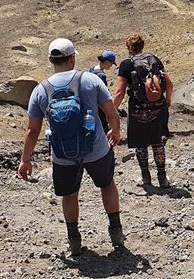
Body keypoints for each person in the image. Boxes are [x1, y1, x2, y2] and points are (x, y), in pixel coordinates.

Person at [18, 38, 123, 256]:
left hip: (63, 154)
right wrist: (115, 131)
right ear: (72, 58)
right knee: (107, 185)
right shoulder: (91, 80)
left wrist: (25, 160)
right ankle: (116, 232)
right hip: (97, 148)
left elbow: (32, 131)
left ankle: (74, 241)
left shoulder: (40, 90)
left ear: (51, 60)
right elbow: (111, 112)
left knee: (69, 194)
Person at [113, 35, 174, 188]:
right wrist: (167, 100)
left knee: (141, 145)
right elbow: (169, 83)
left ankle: (146, 178)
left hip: (137, 111)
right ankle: (162, 178)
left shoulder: (126, 64)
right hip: (158, 107)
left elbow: (119, 92)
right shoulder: (154, 59)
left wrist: (112, 111)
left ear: (128, 47)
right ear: (142, 46)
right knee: (158, 143)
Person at [88, 50, 118, 132]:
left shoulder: (91, 69)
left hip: (91, 103)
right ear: (107, 62)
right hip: (99, 106)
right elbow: (103, 94)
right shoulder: (101, 76)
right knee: (103, 126)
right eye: (111, 63)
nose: (111, 66)